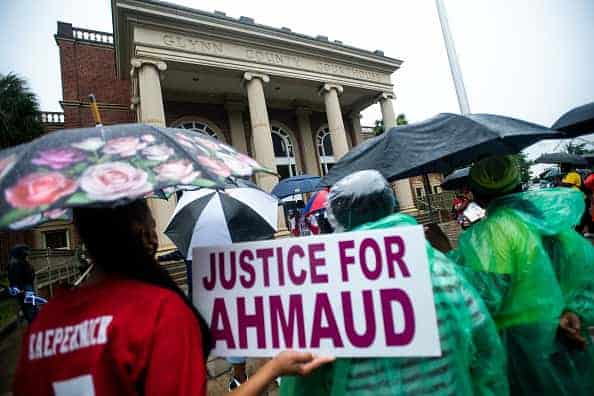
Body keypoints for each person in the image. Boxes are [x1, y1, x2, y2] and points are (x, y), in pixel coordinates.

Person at [13, 200, 332, 395]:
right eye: (150, 214)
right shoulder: (158, 313)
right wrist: (273, 369)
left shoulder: (43, 325)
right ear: (141, 228)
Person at [281, 170, 508, 396]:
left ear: (337, 217)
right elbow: (486, 351)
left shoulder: (327, 290)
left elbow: (303, 379)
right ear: (390, 204)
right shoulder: (442, 270)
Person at [451, 155, 594, 395]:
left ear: (478, 195)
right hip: (568, 334)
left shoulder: (490, 234)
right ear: (519, 183)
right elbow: (584, 272)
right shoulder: (548, 222)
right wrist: (572, 312)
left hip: (521, 347)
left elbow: (484, 299)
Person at [8, 245, 38, 323]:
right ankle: (34, 326)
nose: (28, 255)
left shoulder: (15, 264)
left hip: (24, 288)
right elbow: (21, 277)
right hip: (25, 288)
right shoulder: (19, 264)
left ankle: (34, 325)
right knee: (31, 309)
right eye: (26, 253)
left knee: (30, 309)